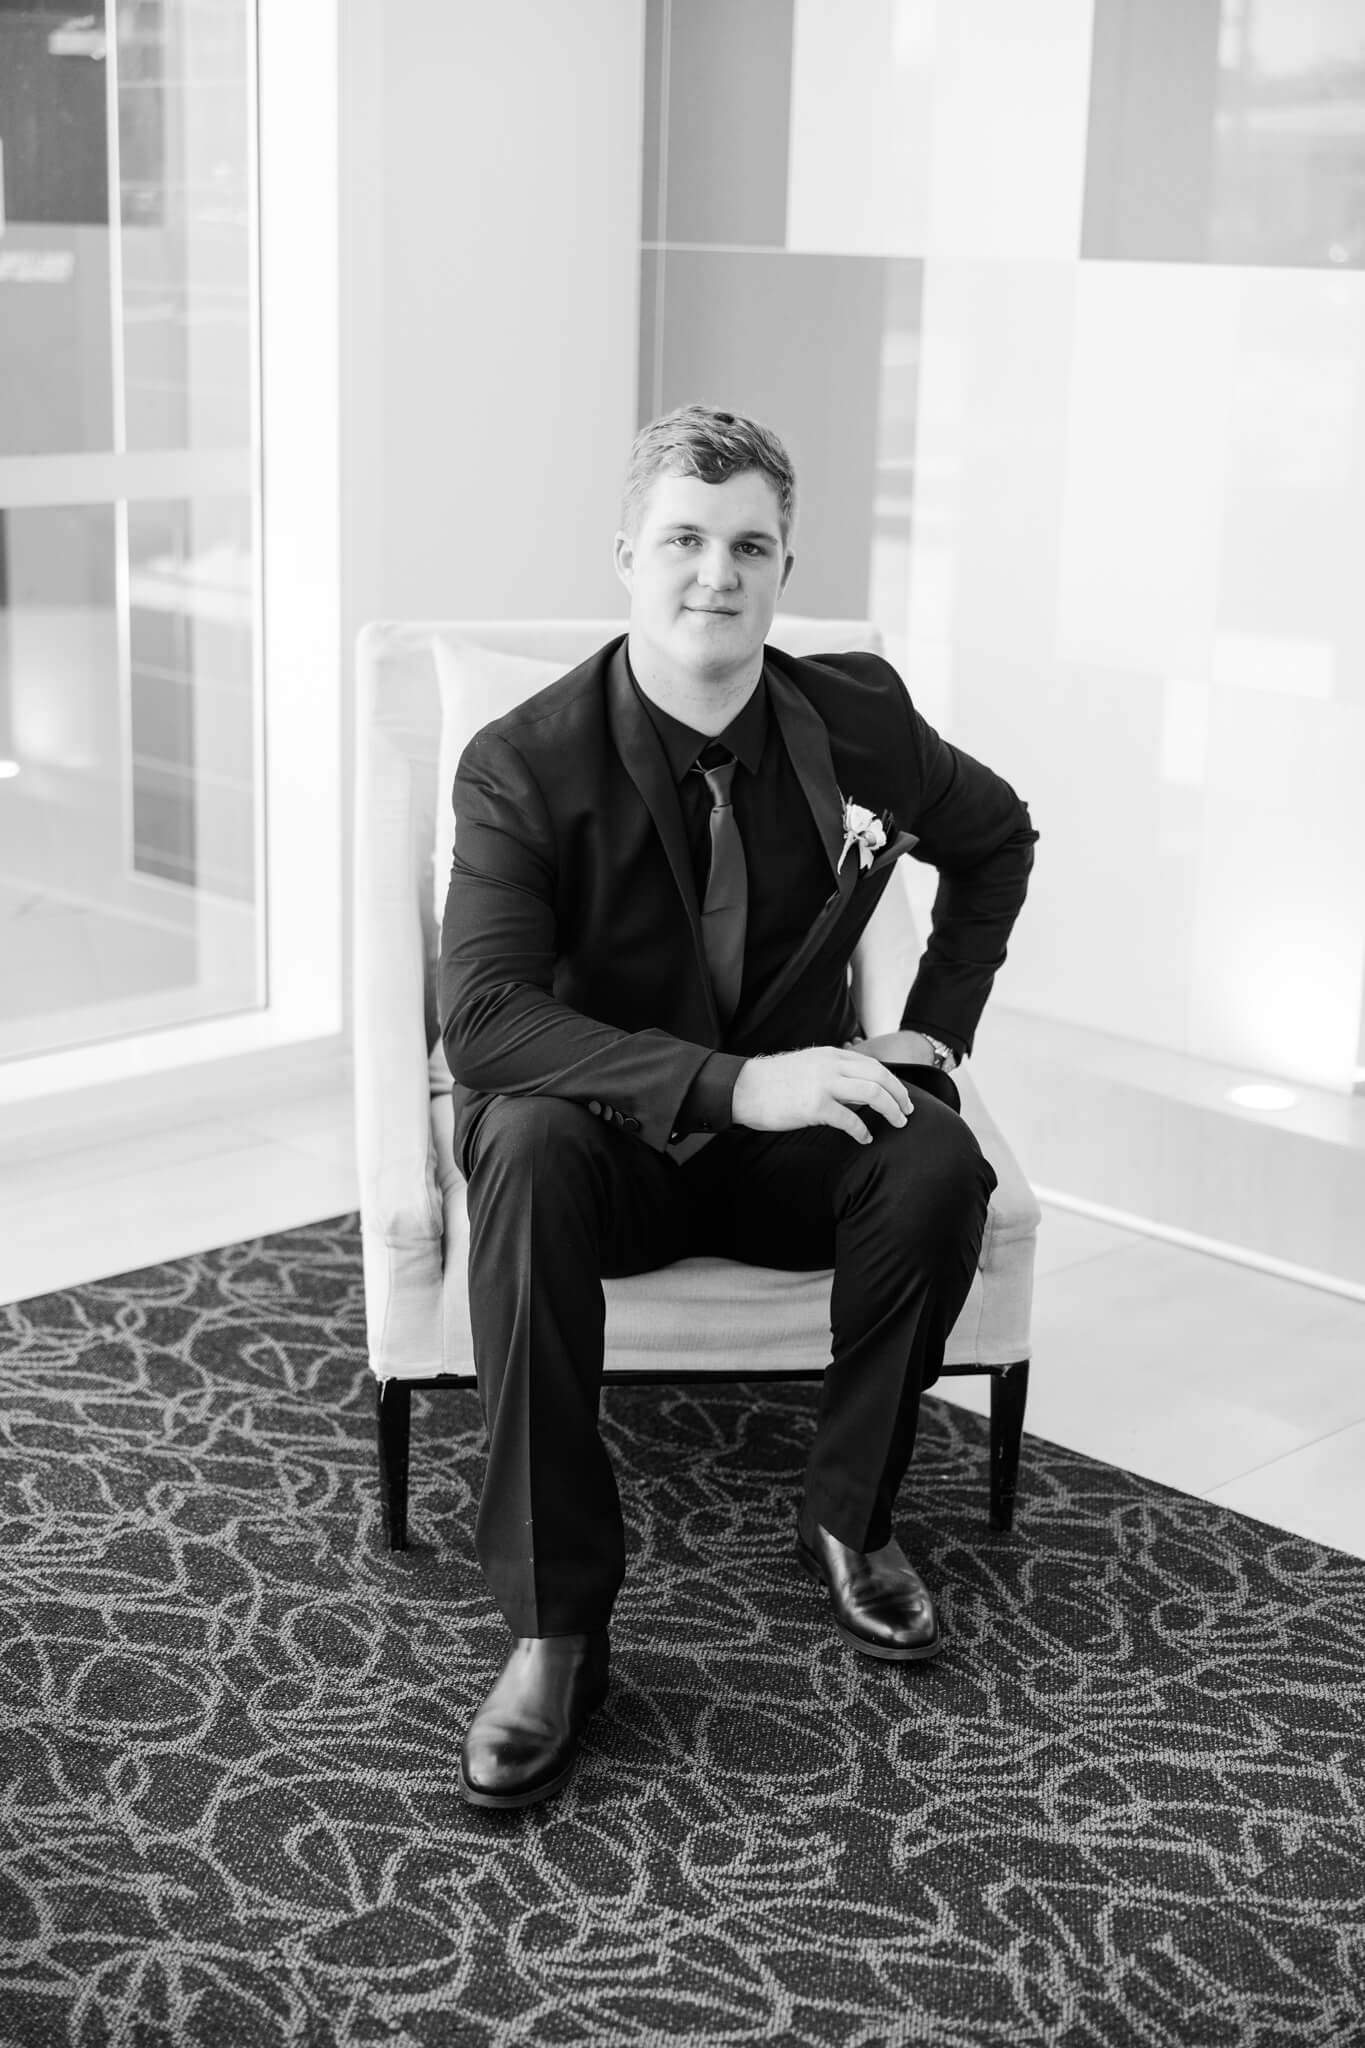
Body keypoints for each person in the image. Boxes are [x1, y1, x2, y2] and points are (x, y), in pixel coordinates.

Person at [439, 404, 1037, 1810]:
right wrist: (731, 1085)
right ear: (626, 556)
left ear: (783, 564)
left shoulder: (859, 722)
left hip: (791, 1150)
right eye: (685, 541)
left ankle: (847, 1519)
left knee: (935, 1160)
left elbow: (996, 838)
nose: (718, 573)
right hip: (609, 1149)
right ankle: (555, 1622)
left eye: (750, 546)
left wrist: (934, 1036)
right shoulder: (521, 762)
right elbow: (485, 1021)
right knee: (516, 1141)